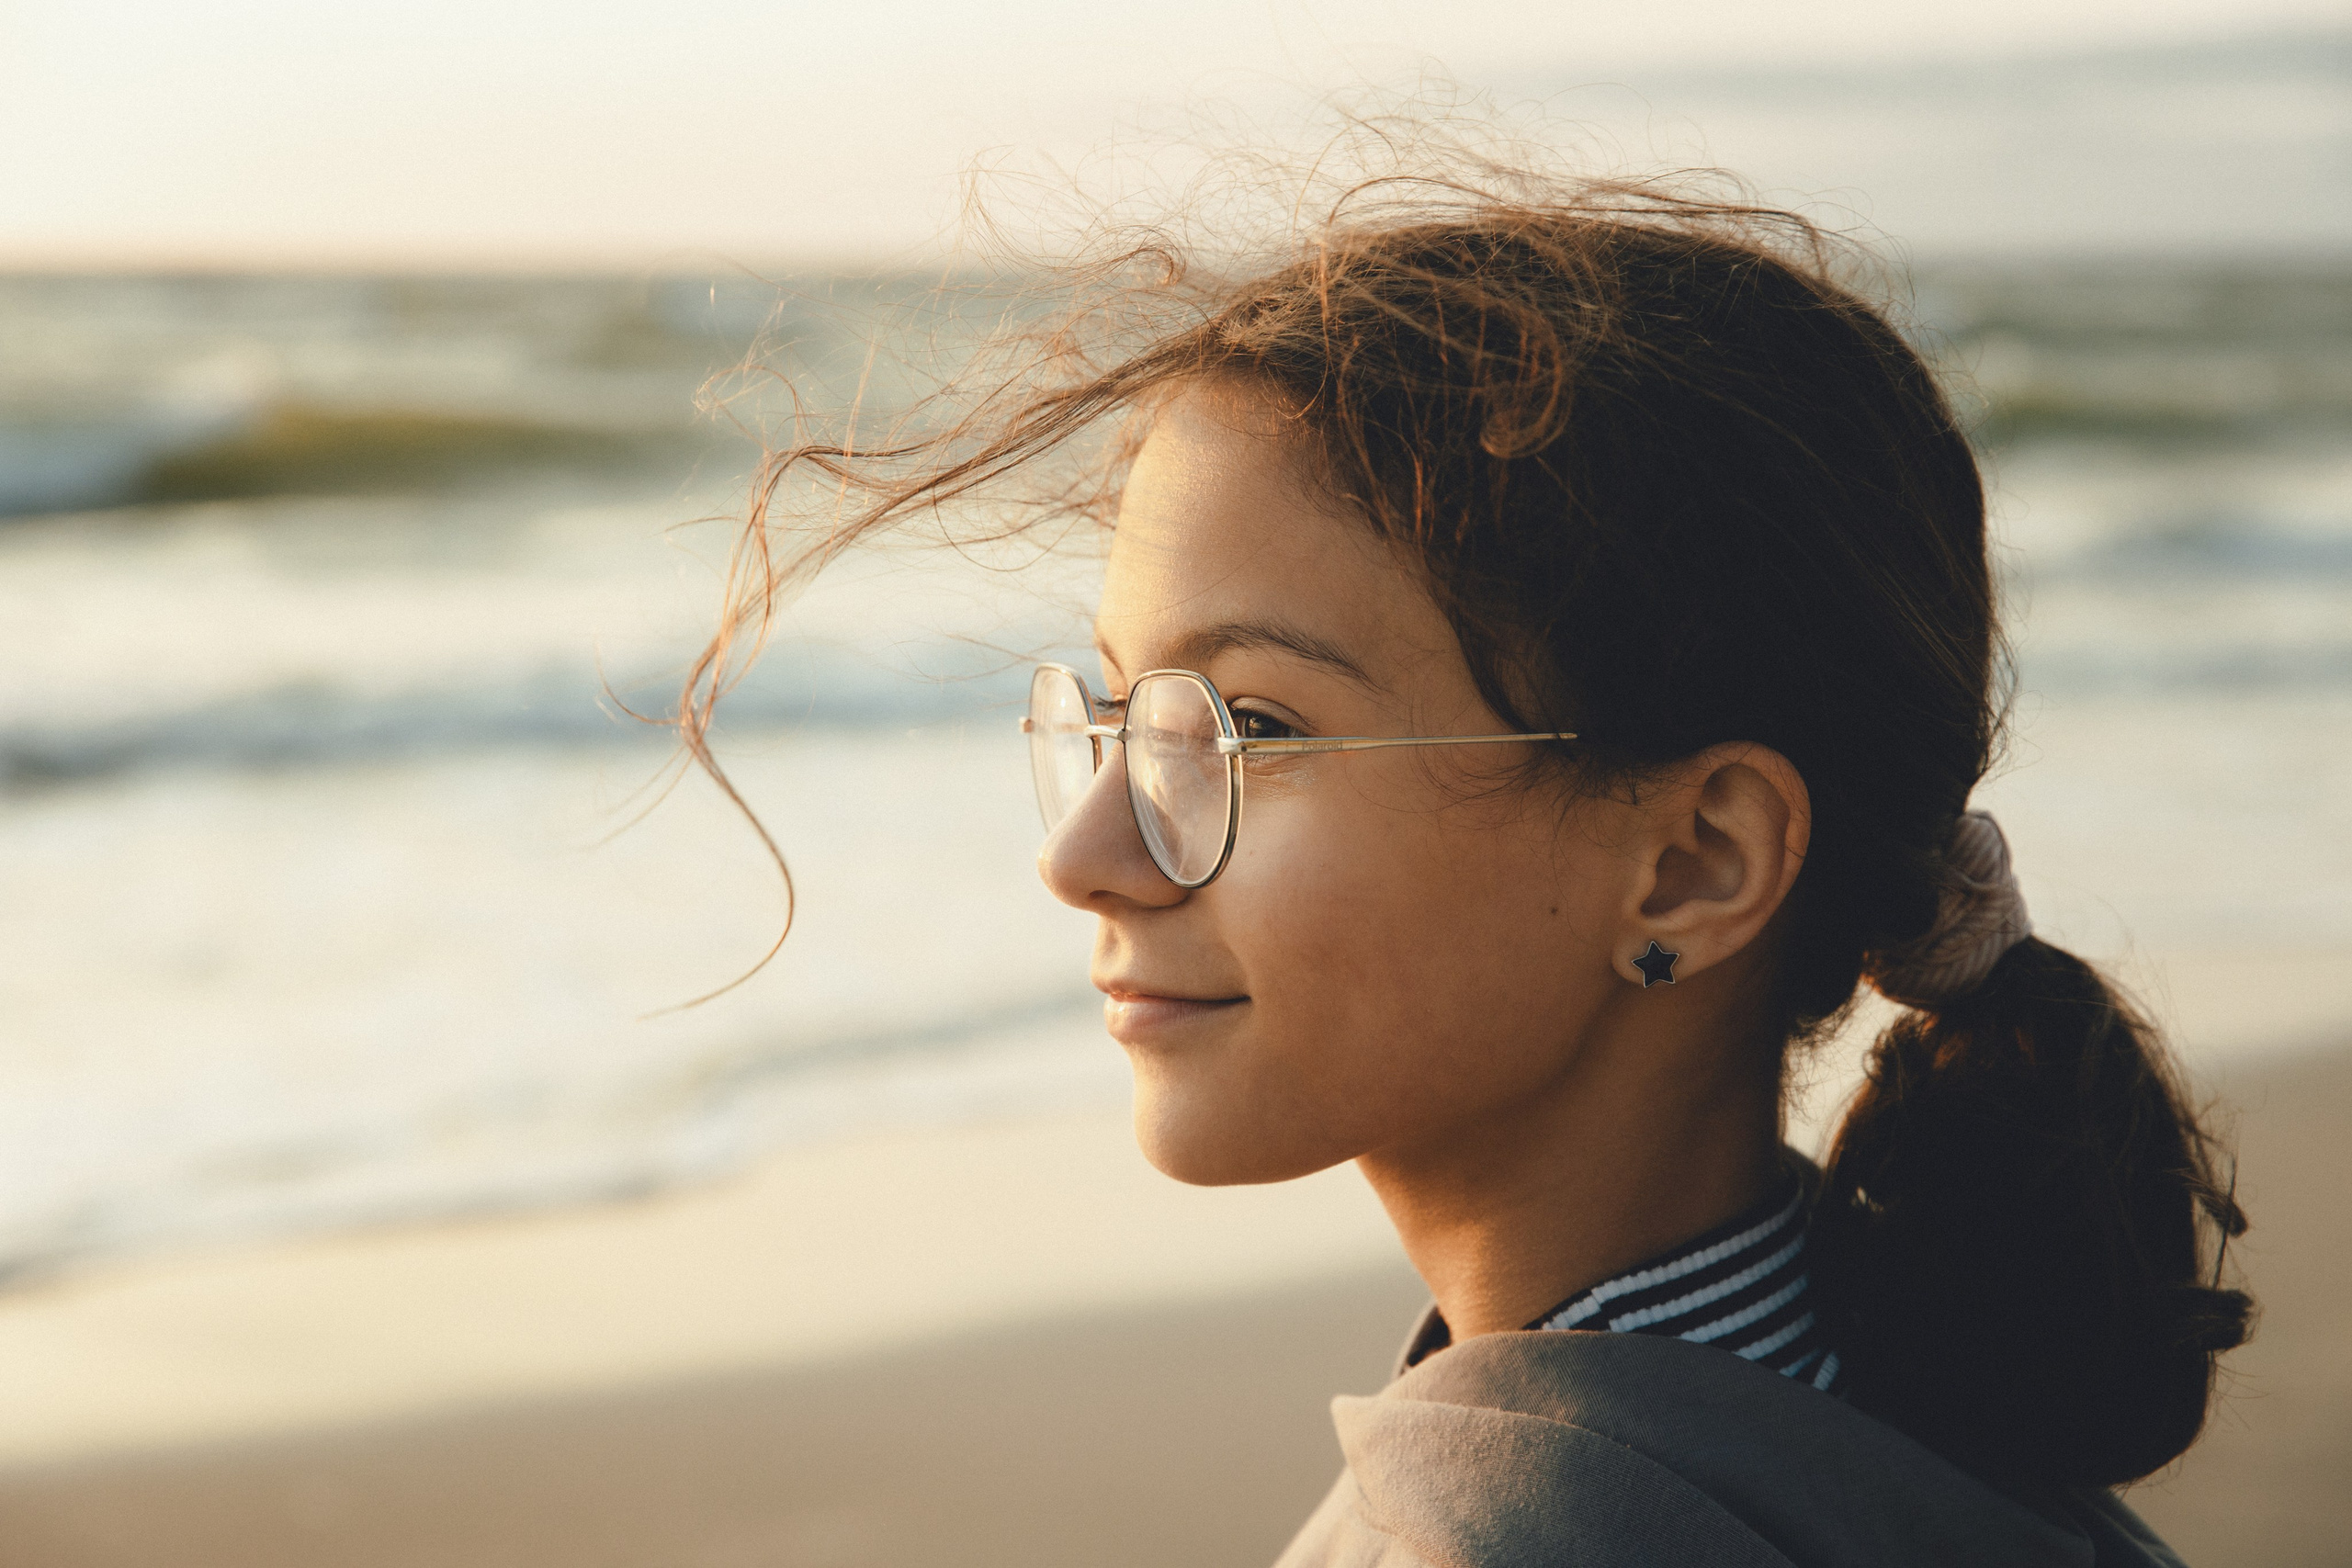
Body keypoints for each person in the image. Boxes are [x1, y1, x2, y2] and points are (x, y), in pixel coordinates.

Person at [686, 169, 2250, 1565]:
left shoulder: (1525, 1531)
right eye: (1117, 714)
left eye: (1250, 722)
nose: (1085, 853)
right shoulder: (1931, 1434)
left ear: (1693, 863)